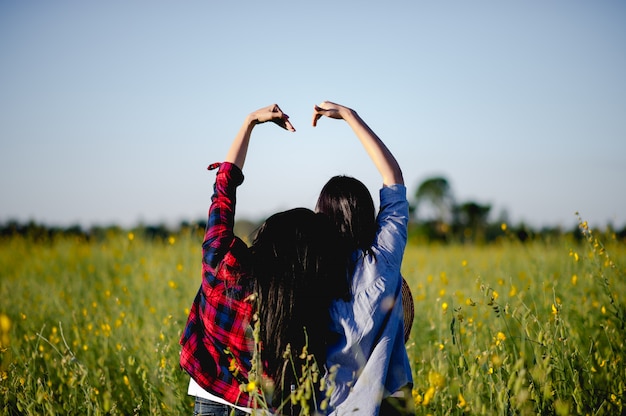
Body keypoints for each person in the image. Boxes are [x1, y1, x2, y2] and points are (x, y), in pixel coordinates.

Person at [179, 104, 347, 415]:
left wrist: (250, 122)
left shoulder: (223, 264)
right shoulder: (302, 297)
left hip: (212, 392)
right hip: (265, 405)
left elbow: (223, 191)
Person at [312, 101, 414, 415]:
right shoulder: (384, 259)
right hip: (391, 405)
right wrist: (350, 117)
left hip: (330, 407)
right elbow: (393, 178)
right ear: (368, 215)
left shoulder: (312, 271)